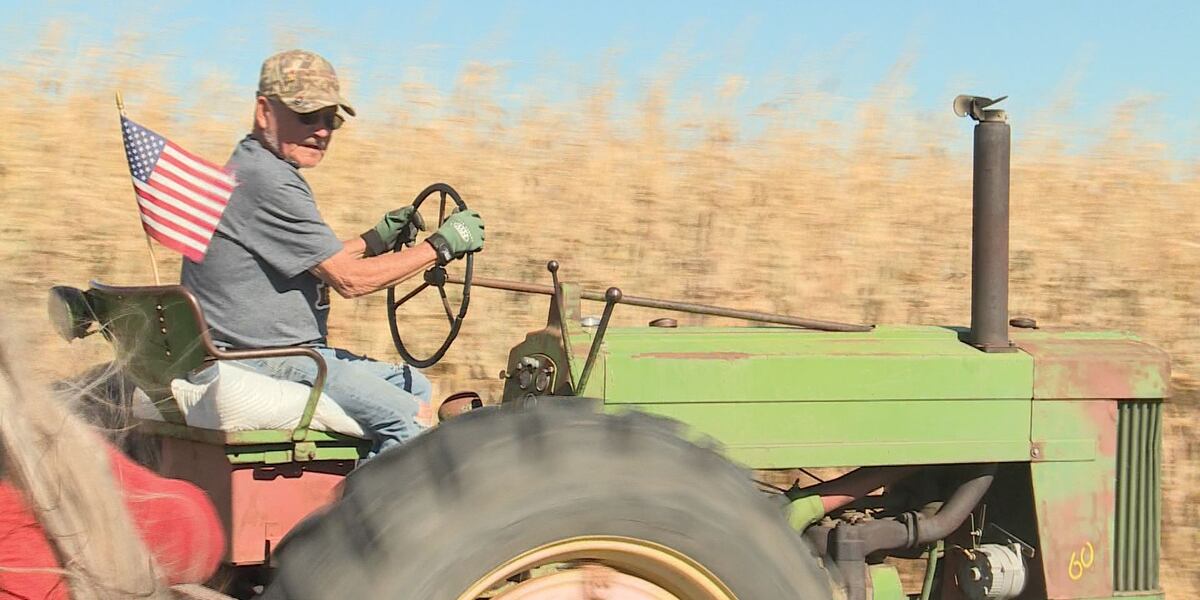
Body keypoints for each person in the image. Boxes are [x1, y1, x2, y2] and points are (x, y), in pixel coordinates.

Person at [181, 49, 484, 455]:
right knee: (410, 418)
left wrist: (373, 240)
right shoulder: (269, 182)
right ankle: (362, 518)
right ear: (263, 111)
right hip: (265, 358)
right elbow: (349, 280)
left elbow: (312, 260)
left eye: (331, 120)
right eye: (308, 115)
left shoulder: (252, 166)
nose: (322, 131)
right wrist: (440, 246)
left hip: (277, 351)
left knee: (415, 383)